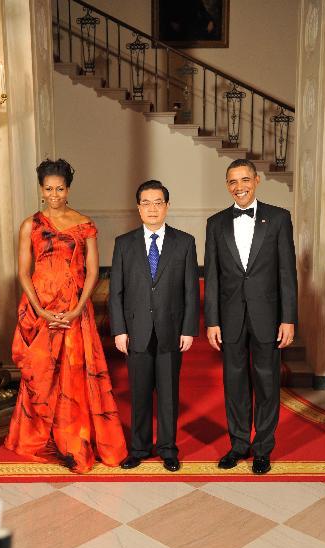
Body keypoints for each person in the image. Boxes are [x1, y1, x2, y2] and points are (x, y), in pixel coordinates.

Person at [5, 159, 127, 473]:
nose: (54, 194)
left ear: (68, 189)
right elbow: (22, 272)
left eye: (60, 188)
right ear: (41, 190)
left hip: (75, 308)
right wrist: (41, 310)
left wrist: (75, 309)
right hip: (41, 306)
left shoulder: (84, 224)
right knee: (41, 375)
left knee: (75, 375)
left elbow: (92, 272)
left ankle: (75, 441)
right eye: (49, 188)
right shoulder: (29, 225)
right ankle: (38, 437)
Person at [204, 159, 297, 475]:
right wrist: (212, 320)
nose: (239, 186)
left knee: (267, 382)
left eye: (245, 179)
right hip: (229, 317)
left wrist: (288, 319)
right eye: (232, 181)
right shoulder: (215, 223)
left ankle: (263, 449)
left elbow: (287, 273)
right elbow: (213, 277)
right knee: (234, 383)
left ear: (256, 181)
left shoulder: (279, 219)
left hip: (267, 315)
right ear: (227, 185)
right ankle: (239, 444)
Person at [109, 180, 199, 472]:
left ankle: (168, 449)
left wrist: (188, 329)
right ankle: (138, 447)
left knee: (169, 394)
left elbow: (190, 290)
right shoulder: (124, 244)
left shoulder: (184, 243)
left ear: (167, 206)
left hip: (171, 330)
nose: (152, 208)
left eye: (158, 202)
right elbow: (116, 292)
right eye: (146, 203)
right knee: (139, 393)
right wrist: (119, 330)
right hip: (136, 332)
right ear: (138, 208)